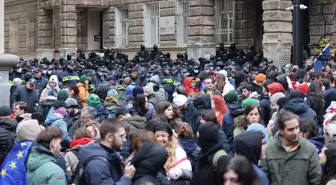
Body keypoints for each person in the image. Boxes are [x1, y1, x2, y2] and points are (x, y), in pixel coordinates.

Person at [263, 111, 321, 185]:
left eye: (297, 128)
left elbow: (316, 178)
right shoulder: (269, 149)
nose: (295, 132)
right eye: (290, 129)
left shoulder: (309, 149)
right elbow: (264, 177)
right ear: (281, 131)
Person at [78, 118, 135, 185]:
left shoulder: (111, 153)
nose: (125, 140)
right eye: (121, 136)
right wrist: (126, 177)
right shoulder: (97, 164)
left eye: (125, 136)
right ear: (109, 137)